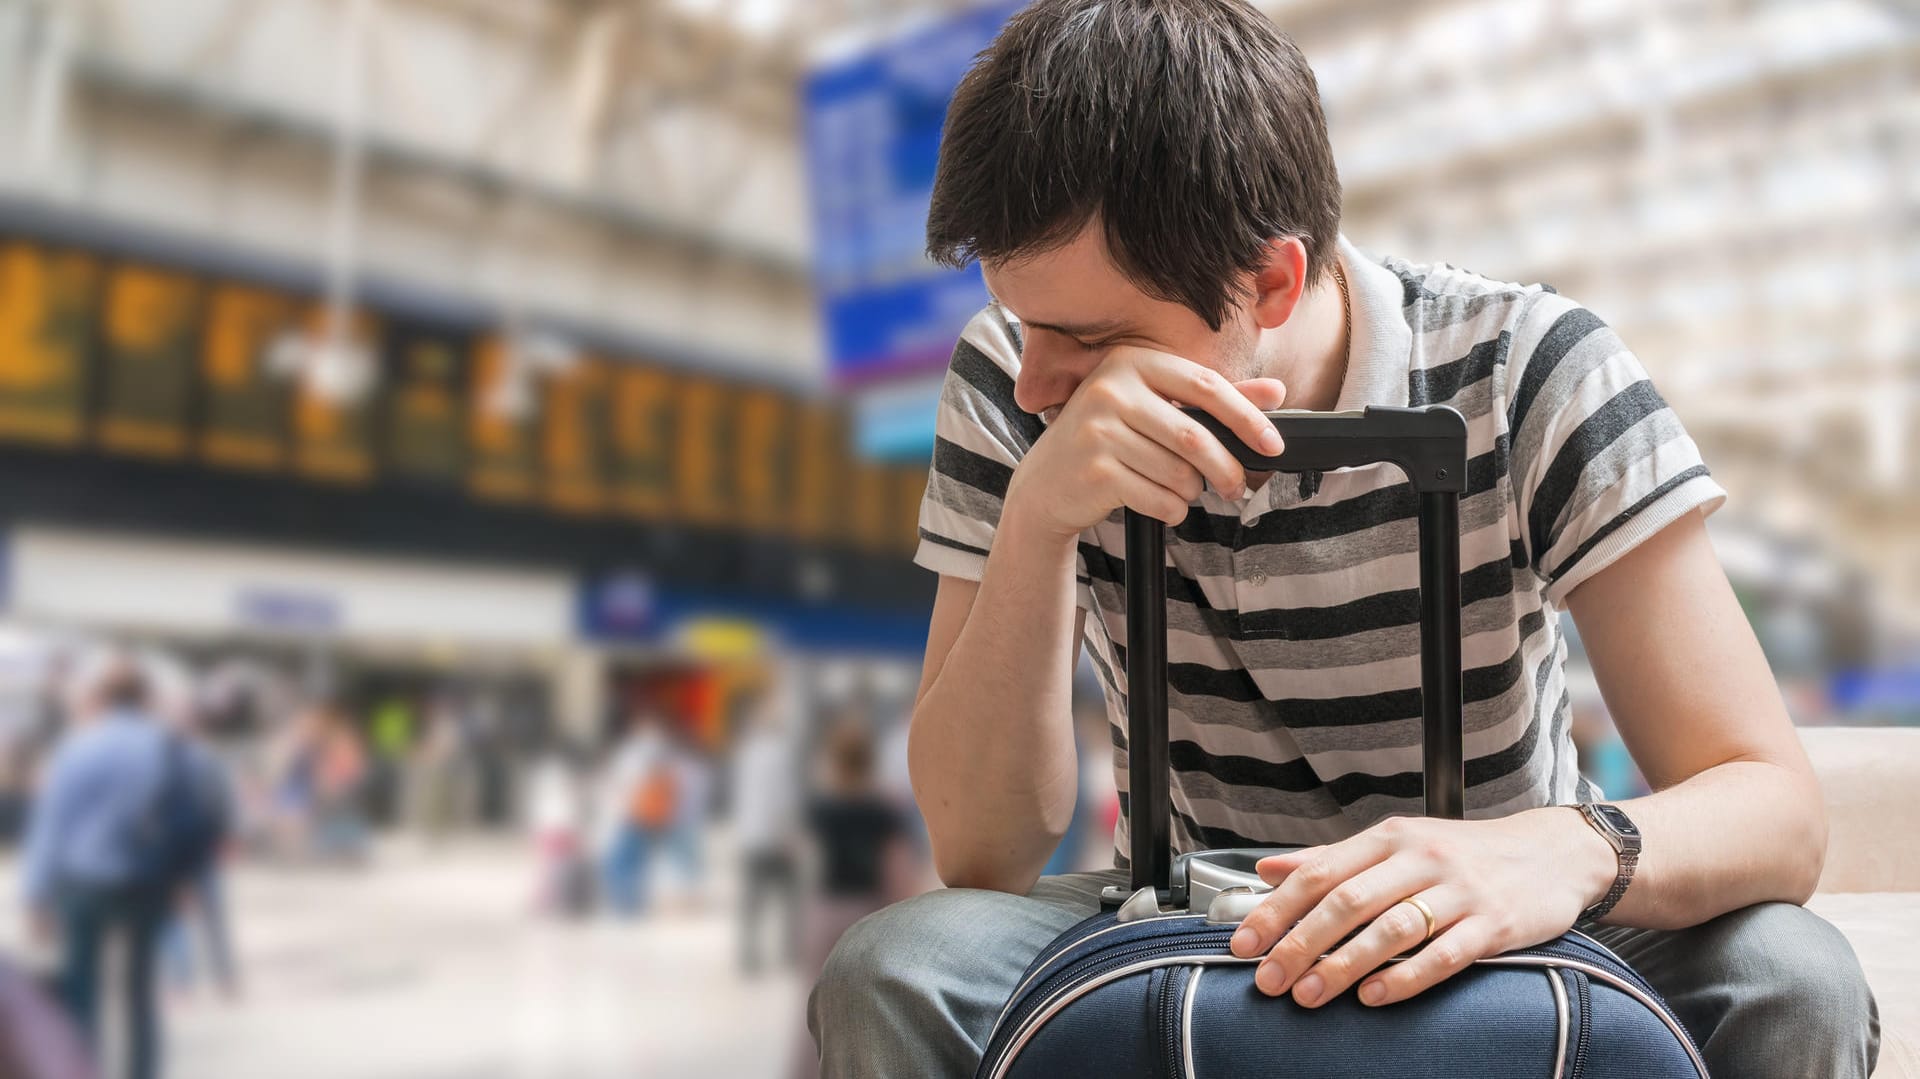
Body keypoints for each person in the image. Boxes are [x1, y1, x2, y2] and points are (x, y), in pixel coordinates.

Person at [808, 4, 1879, 1078]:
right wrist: (1039, 516)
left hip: (1507, 911)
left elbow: (1775, 809)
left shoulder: (1527, 367)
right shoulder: (1011, 379)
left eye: (1090, 340)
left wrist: (1554, 850)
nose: (1036, 379)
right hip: (1194, 907)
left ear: (1268, 280)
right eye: (1020, 320)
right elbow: (983, 848)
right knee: (897, 968)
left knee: (1790, 978)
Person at [20, 651, 226, 1079]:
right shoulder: (171, 748)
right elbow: (195, 819)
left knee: (82, 990)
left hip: (84, 883)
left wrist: (34, 894)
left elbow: (52, 824)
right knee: (139, 993)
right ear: (146, 698)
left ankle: (82, 1070)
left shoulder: (78, 747)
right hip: (149, 881)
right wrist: (191, 883)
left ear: (99, 698)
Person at [792, 719, 910, 1079]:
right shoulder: (883, 810)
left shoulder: (821, 807)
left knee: (817, 1003)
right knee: (865, 1006)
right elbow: (899, 870)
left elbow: (799, 851)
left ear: (834, 760)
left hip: (826, 911)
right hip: (868, 913)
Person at [730, 687, 802, 974]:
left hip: (751, 837)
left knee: (752, 902)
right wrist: (788, 834)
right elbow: (781, 798)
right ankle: (788, 953)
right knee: (788, 898)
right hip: (774, 839)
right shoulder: (778, 753)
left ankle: (750, 956)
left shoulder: (747, 751)